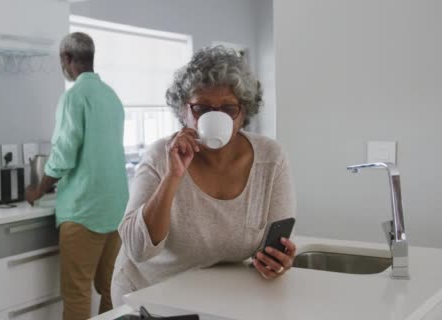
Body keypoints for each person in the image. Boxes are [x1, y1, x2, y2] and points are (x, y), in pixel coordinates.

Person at [111, 46, 297, 306]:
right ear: (183, 111)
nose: (215, 116)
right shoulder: (160, 156)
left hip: (217, 297)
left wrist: (276, 262)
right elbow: (138, 250)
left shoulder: (271, 159)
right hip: (149, 296)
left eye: (228, 109)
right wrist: (173, 175)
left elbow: (270, 249)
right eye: (201, 108)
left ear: (243, 113)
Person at [26, 32, 129, 320]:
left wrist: (38, 189)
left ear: (67, 59)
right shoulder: (111, 97)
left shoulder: (74, 98)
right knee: (111, 290)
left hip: (84, 211)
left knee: (77, 293)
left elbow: (62, 156)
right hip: (116, 208)